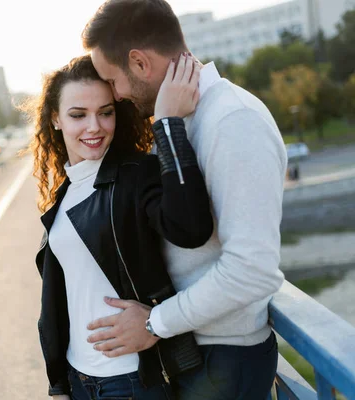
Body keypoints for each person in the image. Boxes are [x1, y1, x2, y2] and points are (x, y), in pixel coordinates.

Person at [82, 1, 288, 399]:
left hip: (225, 360)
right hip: (194, 350)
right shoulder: (185, 116)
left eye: (113, 80)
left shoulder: (232, 121)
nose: (116, 94)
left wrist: (153, 323)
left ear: (139, 63)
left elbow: (252, 271)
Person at [28, 53, 213, 400]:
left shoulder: (136, 175)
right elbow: (58, 300)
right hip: (79, 379)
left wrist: (168, 122)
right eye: (78, 115)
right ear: (55, 120)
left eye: (106, 112)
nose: (94, 126)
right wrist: (58, 384)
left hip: (129, 381)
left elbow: (190, 227)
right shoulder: (63, 194)